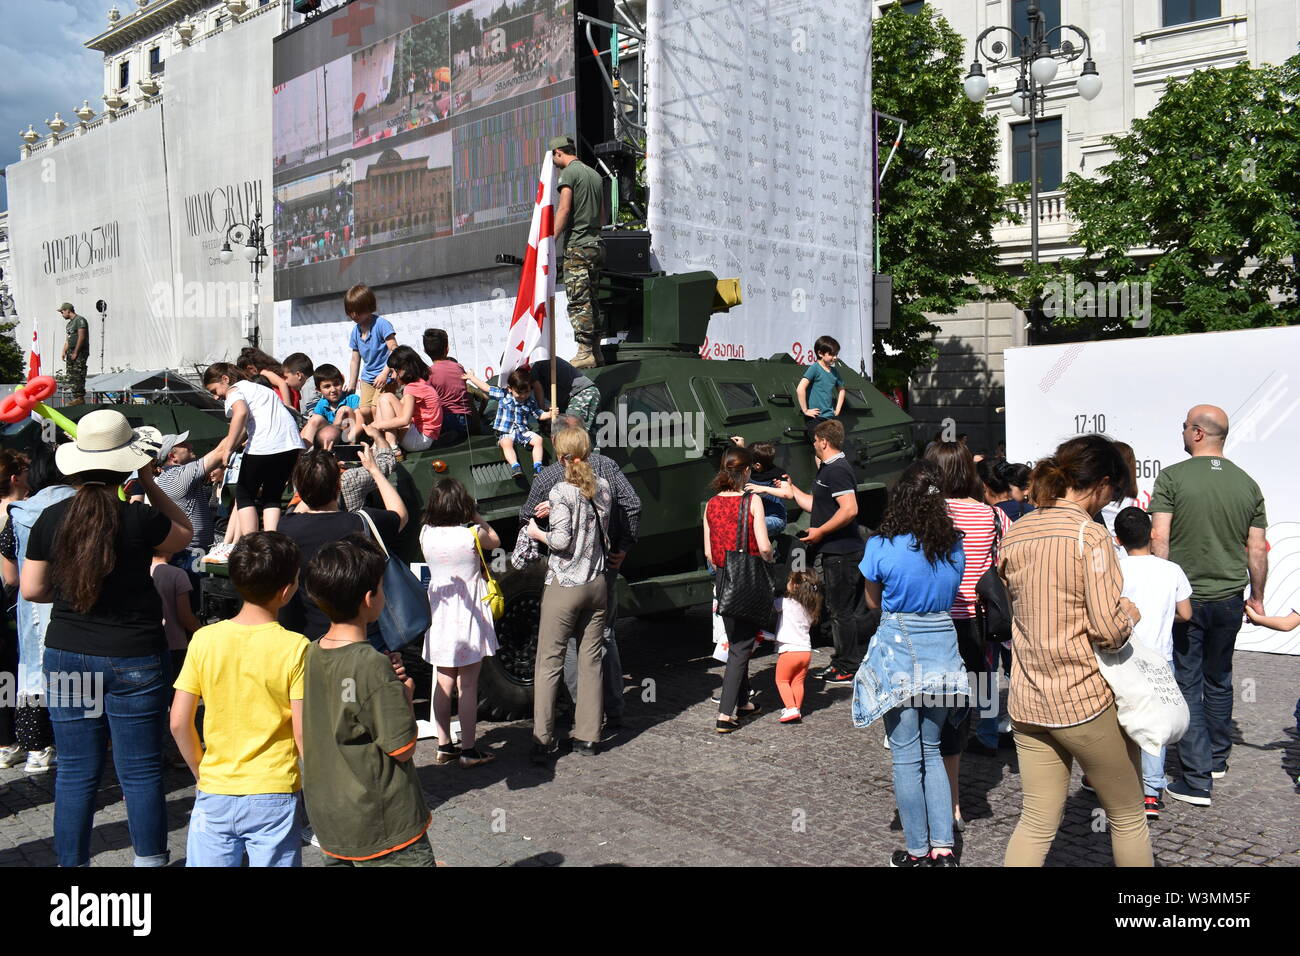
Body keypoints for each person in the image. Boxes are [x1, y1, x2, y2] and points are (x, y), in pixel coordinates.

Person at [22, 410, 193, 867]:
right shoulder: (138, 518)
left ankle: (71, 865)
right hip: (134, 654)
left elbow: (32, 589)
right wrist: (149, 481)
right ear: (126, 462)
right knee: (139, 770)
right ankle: (150, 861)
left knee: (76, 771)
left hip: (69, 652)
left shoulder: (51, 518)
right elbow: (185, 533)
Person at [998, 435, 1151, 867]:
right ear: (1102, 484)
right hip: (1081, 699)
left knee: (1035, 821)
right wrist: (1130, 613)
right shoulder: (1091, 537)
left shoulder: (1018, 531)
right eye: (1114, 493)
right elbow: (1107, 630)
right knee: (1127, 815)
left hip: (1028, 700)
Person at [1150, 405, 1267, 807]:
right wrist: (1257, 597)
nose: (1182, 432)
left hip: (1188, 599)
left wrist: (1159, 589)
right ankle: (1217, 757)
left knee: (1188, 681)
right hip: (1230, 598)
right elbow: (1256, 549)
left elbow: (1159, 537)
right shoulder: (1247, 483)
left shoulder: (1172, 478)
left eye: (1184, 426)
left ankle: (1197, 778)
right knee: (1220, 677)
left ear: (1197, 433)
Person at [855, 460, 968, 867]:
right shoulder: (953, 543)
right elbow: (953, 592)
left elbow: (872, 601)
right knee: (933, 749)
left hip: (897, 646)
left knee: (905, 755)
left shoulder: (880, 546)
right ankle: (943, 849)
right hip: (941, 644)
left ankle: (917, 851)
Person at [171, 533, 309, 867]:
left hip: (215, 788)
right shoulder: (297, 647)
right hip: (274, 790)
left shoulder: (204, 640)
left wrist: (200, 771)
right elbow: (303, 734)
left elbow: (178, 722)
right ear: (288, 589)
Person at [301, 537, 435, 866]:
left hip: (332, 817)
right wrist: (403, 693)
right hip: (382, 823)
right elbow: (401, 747)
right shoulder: (371, 665)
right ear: (368, 599)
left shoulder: (311, 652)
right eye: (382, 587)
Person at [515, 414, 641, 728]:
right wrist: (622, 548)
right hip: (601, 571)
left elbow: (526, 517)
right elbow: (633, 504)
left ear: (558, 450)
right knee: (603, 639)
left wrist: (539, 525)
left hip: (565, 576)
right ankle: (611, 711)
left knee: (563, 648)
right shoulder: (606, 470)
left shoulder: (549, 481)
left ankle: (571, 716)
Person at [923, 439, 1010, 839]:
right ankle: (954, 800)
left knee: (930, 713)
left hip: (933, 621)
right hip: (976, 626)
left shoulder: (926, 514)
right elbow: (1003, 567)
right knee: (962, 710)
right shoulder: (992, 516)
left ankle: (939, 800)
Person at [525, 428, 614, 759]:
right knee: (591, 660)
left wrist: (537, 531)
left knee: (549, 661)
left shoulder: (561, 490)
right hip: (596, 582)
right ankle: (589, 736)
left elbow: (561, 542)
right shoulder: (602, 488)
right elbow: (588, 512)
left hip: (565, 584)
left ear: (560, 457)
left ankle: (542, 739)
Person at [763, 420, 870, 684]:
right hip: (837, 551)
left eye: (815, 440)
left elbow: (850, 509)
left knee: (841, 611)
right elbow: (819, 506)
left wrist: (821, 532)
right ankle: (847, 660)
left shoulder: (837, 470)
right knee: (842, 609)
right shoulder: (829, 470)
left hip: (842, 552)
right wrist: (793, 491)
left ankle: (847, 665)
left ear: (823, 441)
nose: (813, 444)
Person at [278, 447, 408, 643]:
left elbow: (299, 507)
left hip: (307, 635)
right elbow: (400, 515)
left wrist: (311, 479)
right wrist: (374, 471)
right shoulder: (360, 522)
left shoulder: (287, 526)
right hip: (359, 634)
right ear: (339, 486)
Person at [1114, 506, 1192, 821]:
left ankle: (1111, 782)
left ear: (1117, 538)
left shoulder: (1114, 568)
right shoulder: (1171, 570)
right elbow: (1186, 614)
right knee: (1154, 727)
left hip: (1121, 657)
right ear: (1153, 534)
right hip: (1160, 657)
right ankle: (1151, 793)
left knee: (1120, 722)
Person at [420, 478, 499, 769]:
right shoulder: (472, 534)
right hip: (469, 617)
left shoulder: (425, 534)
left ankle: (444, 745)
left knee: (443, 682)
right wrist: (475, 513)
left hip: (439, 615)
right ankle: (468, 749)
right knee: (468, 685)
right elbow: (496, 540)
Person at [0, 445, 67, 774]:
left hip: (31, 604)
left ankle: (36, 748)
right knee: (73, 677)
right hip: (75, 606)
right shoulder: (83, 506)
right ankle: (72, 741)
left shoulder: (20, 514)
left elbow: (9, 574)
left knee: (31, 670)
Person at [703, 445, 774, 733]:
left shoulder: (710, 504)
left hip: (723, 579)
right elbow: (765, 546)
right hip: (747, 578)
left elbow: (709, 552)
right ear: (746, 471)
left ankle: (743, 702)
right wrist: (769, 559)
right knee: (742, 647)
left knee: (737, 640)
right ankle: (725, 713)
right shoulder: (751, 501)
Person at [204, 363, 305, 556]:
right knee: (272, 495)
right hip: (290, 445)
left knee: (243, 494)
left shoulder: (235, 389)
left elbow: (240, 414)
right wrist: (233, 444)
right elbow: (245, 426)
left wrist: (227, 450)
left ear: (225, 379)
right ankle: (272, 545)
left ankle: (252, 545)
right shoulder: (258, 388)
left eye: (214, 390)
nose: (216, 396)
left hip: (265, 445)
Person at [549, 135, 606, 369]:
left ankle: (584, 352)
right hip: (596, 244)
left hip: (578, 246)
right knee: (592, 299)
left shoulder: (569, 174)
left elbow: (564, 209)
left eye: (553, 157)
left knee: (579, 300)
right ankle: (596, 351)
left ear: (559, 153)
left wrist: (549, 240)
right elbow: (602, 216)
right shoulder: (594, 174)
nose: (553, 162)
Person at [154, 431, 223, 593]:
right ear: (173, 457)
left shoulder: (167, 477)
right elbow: (220, 451)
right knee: (192, 601)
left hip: (186, 552)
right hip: (190, 555)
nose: (190, 445)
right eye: (183, 445)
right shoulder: (179, 476)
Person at [464, 367, 552, 477]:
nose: (523, 395)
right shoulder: (503, 394)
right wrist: (472, 377)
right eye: (519, 392)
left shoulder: (530, 401)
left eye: (527, 392)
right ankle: (515, 466)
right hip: (506, 432)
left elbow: (539, 414)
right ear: (510, 389)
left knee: (538, 440)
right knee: (506, 443)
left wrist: (550, 414)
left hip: (522, 431)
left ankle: (537, 466)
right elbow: (486, 388)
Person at [364, 345, 443, 454]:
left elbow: (404, 420)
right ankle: (379, 445)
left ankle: (392, 447)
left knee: (386, 397)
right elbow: (396, 410)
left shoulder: (412, 388)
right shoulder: (420, 384)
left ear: (405, 369)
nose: (392, 376)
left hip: (419, 439)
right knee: (384, 400)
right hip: (424, 439)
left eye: (394, 371)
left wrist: (377, 425)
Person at [343, 284, 398, 424]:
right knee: (364, 410)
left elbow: (395, 350)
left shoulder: (381, 324)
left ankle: (383, 439)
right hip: (368, 377)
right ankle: (376, 433)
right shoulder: (355, 331)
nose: (353, 315)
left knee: (377, 408)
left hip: (385, 375)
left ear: (368, 307)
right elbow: (355, 360)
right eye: (350, 312)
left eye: (357, 311)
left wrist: (385, 373)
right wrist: (352, 384)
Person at [773, 570, 820, 723]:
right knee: (798, 682)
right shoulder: (810, 608)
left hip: (789, 650)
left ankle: (791, 708)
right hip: (805, 651)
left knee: (782, 681)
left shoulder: (786, 603)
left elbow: (773, 605)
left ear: (794, 586)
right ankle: (796, 709)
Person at [152, 546, 199, 684]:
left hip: (150, 642)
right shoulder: (178, 574)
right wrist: (202, 630)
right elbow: (185, 616)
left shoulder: (140, 572)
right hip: (175, 644)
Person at [422, 328, 471, 445]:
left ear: (425, 350)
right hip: (466, 419)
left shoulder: (428, 373)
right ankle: (457, 432)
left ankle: (444, 434)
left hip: (445, 419)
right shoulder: (458, 367)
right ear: (447, 349)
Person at [532, 357, 601, 437]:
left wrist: (542, 410)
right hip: (585, 393)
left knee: (570, 434)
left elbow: (537, 387)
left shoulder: (535, 364)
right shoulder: (543, 361)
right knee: (589, 438)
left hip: (580, 394)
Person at [301, 363, 362, 445]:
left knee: (344, 410)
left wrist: (349, 438)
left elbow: (360, 422)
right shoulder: (322, 403)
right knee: (315, 418)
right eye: (327, 386)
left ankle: (348, 447)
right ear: (319, 390)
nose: (333, 389)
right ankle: (305, 452)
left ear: (342, 382)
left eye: (336, 384)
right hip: (330, 437)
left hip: (348, 437)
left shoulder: (352, 398)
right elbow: (312, 423)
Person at [796, 335, 845, 433]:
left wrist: (838, 409)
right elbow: (800, 388)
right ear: (820, 353)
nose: (835, 357)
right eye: (831, 354)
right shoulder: (815, 368)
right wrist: (805, 410)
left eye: (836, 354)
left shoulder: (834, 372)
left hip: (829, 418)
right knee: (821, 446)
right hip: (815, 418)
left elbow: (842, 390)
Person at [742, 440, 787, 536]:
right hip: (755, 516)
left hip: (774, 519)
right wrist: (741, 446)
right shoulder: (751, 470)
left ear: (757, 465)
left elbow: (788, 493)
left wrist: (764, 488)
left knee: (750, 525)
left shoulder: (778, 473)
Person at [59, 303, 90, 405]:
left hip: (80, 352)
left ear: (68, 310)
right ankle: (76, 397)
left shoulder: (80, 320)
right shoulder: (69, 324)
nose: (62, 314)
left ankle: (80, 397)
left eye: (62, 312)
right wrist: (64, 350)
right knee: (71, 375)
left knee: (78, 374)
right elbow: (68, 339)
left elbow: (81, 337)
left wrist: (76, 352)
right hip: (70, 352)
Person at [281, 352, 317, 416]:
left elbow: (315, 418)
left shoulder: (308, 388)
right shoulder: (311, 384)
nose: (286, 381)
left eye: (286, 377)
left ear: (298, 375)